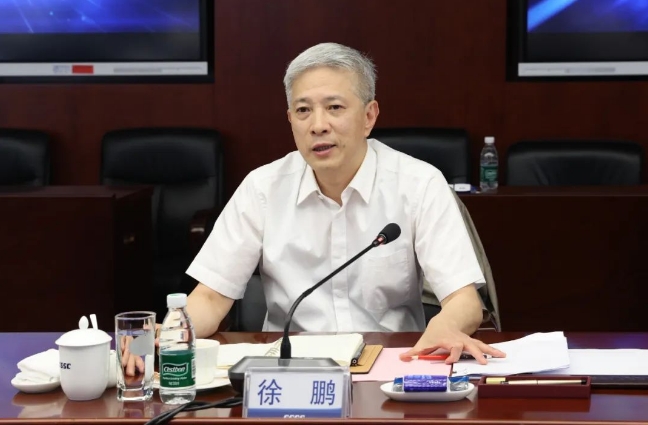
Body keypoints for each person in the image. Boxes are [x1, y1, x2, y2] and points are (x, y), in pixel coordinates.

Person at [183, 42, 505, 364]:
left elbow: (464, 300)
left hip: (390, 362)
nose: (318, 125)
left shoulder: (419, 184)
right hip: (290, 368)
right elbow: (210, 297)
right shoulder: (262, 188)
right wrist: (172, 334)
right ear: (290, 120)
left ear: (369, 116)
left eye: (334, 107)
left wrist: (445, 326)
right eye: (303, 110)